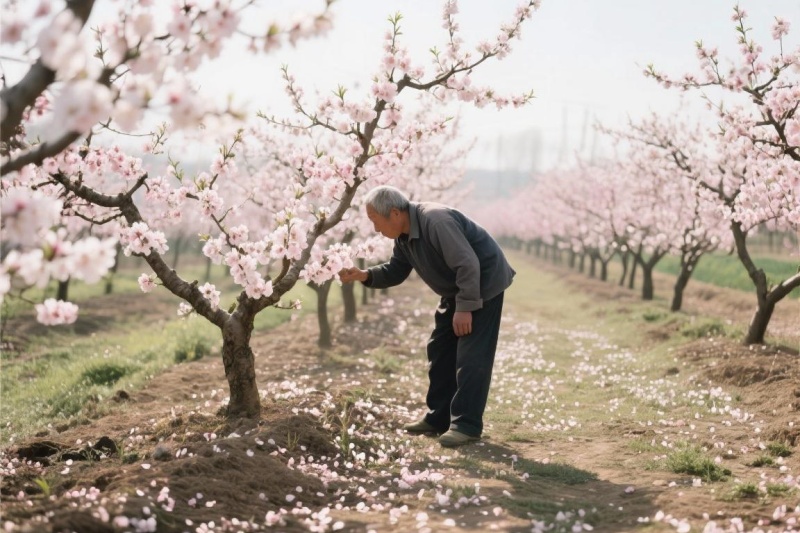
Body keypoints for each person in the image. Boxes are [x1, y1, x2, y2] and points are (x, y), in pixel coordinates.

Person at [339, 186, 515, 448]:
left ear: (395, 213)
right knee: (440, 349)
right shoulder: (403, 235)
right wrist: (365, 275)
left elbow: (467, 263)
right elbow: (396, 270)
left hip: (482, 285)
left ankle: (466, 425)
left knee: (471, 355)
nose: (375, 229)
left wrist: (465, 308)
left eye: (375, 221)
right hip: (456, 289)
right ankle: (438, 418)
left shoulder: (436, 221)